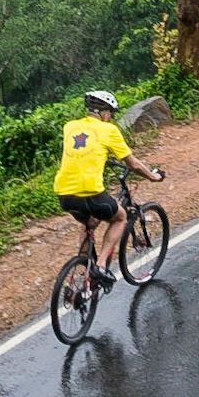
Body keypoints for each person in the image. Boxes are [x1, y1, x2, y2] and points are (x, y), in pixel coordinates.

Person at [54, 89, 164, 289]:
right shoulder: (109, 131)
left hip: (64, 194)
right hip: (89, 192)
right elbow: (134, 165)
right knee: (120, 217)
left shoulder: (70, 127)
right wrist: (153, 176)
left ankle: (84, 272)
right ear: (104, 113)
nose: (111, 118)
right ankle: (101, 266)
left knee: (90, 222)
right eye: (111, 114)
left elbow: (85, 150)